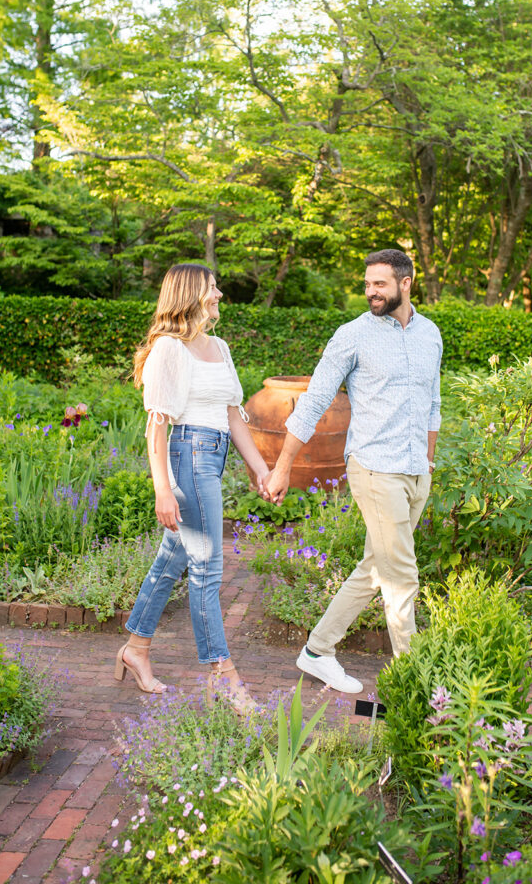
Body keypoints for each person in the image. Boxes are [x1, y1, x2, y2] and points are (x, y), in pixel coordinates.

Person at [264, 249, 442, 694]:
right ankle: (417, 682)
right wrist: (282, 466)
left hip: (415, 470)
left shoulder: (430, 335)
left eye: (379, 284)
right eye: (367, 284)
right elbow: (314, 402)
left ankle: (318, 650)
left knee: (376, 568)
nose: (370, 292)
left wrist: (429, 461)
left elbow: (433, 405)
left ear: (406, 282)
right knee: (401, 575)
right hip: (374, 467)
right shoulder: (352, 335)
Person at [115, 263, 270, 714]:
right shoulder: (169, 349)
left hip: (212, 457)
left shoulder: (218, 346)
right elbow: (156, 429)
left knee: (173, 559)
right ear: (190, 294)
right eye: (212, 288)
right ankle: (223, 674)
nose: (220, 293)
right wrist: (163, 488)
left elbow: (232, 415)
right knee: (207, 569)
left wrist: (260, 469)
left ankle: (136, 648)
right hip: (188, 460)